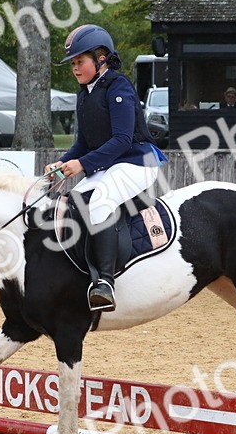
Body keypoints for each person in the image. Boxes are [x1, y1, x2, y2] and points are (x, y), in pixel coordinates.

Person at [44, 24, 167, 312]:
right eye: (73, 63)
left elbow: (123, 140)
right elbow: (83, 143)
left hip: (138, 160)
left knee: (100, 202)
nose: (75, 68)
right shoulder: (84, 93)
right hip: (109, 165)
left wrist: (83, 164)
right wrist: (63, 163)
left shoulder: (118, 86)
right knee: (72, 202)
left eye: (80, 61)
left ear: (101, 58)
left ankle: (106, 283)